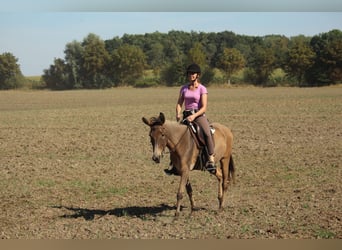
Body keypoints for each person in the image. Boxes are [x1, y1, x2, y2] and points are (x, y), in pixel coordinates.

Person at [164, 63, 216, 175]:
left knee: (207, 133)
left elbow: (204, 107)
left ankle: (211, 159)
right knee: (175, 137)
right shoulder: (184, 88)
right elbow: (179, 103)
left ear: (198, 75)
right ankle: (173, 164)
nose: (191, 75)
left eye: (193, 73)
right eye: (189, 73)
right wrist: (178, 113)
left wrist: (194, 116)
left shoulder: (202, 89)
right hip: (186, 116)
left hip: (198, 116)